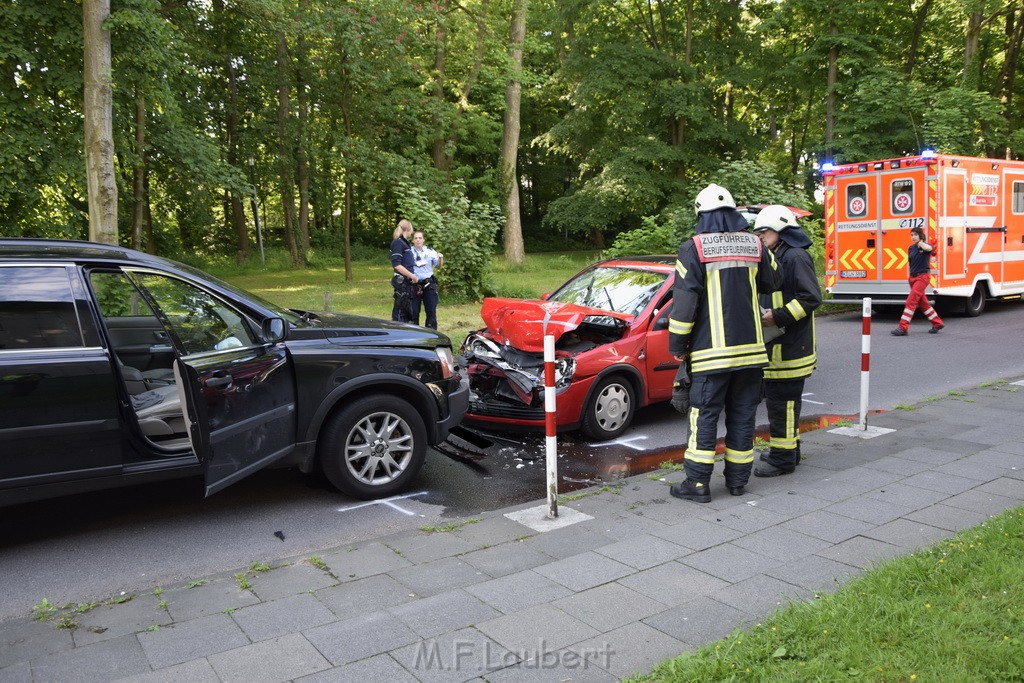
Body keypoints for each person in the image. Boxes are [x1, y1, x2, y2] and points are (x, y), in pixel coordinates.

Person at [668, 183, 783, 503]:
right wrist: (759, 245)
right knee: (743, 415)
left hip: (710, 355)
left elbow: (684, 303)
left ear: (700, 214)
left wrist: (677, 344)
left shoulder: (694, 248)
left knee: (703, 416)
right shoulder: (754, 245)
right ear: (734, 213)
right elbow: (775, 279)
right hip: (751, 353)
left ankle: (697, 484)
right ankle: (737, 481)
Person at [750, 205, 822, 477]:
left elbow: (811, 298)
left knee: (783, 405)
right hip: (782, 346)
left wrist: (776, 316)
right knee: (784, 404)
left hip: (791, 348)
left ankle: (783, 459)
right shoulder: (779, 254)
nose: (761, 236)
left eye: (764, 231)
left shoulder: (794, 256)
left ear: (780, 229)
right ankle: (790, 450)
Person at [891, 226, 944, 336]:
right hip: (913, 278)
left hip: (923, 277)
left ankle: (903, 327)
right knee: (923, 303)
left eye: (915, 235)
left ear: (920, 236)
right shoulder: (911, 248)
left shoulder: (926, 245)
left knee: (910, 301)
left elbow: (930, 249)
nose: (913, 237)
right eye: (912, 235)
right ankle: (937, 323)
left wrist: (920, 242)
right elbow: (911, 263)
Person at [410, 230, 443, 329]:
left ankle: (431, 334)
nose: (418, 240)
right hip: (414, 284)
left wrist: (441, 258)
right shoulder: (409, 252)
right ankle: (414, 334)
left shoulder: (430, 251)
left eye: (420, 238)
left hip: (429, 284)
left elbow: (438, 266)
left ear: (423, 240)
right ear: (413, 240)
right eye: (416, 238)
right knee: (413, 312)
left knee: (431, 311)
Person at [390, 219, 418, 323]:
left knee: (406, 312)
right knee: (400, 311)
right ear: (408, 229)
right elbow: (397, 265)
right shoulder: (398, 243)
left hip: (407, 283)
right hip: (402, 282)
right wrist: (412, 276)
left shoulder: (405, 244)